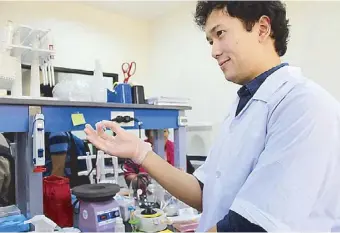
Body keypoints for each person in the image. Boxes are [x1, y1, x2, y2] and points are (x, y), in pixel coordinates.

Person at [84, 1, 340, 232]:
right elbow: (204, 192)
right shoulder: (243, 107)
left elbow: (253, 226)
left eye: (220, 34)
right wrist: (141, 153)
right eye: (210, 41)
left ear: (262, 29)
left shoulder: (303, 104)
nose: (214, 51)